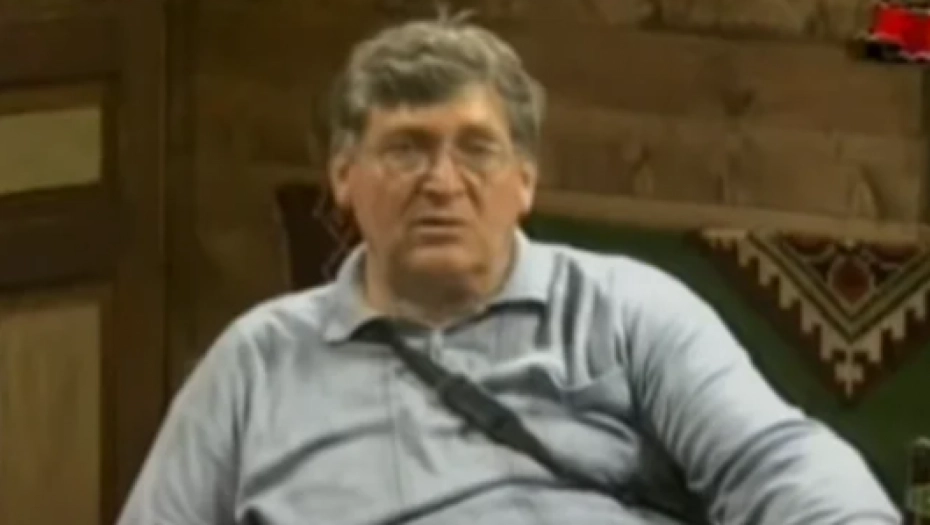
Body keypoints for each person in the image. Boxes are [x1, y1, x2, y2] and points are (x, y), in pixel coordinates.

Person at [117, 11, 900, 525]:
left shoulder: (628, 311)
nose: (442, 182)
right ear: (344, 177)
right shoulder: (256, 363)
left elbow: (779, 461)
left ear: (524, 180)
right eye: (406, 149)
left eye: (476, 150)